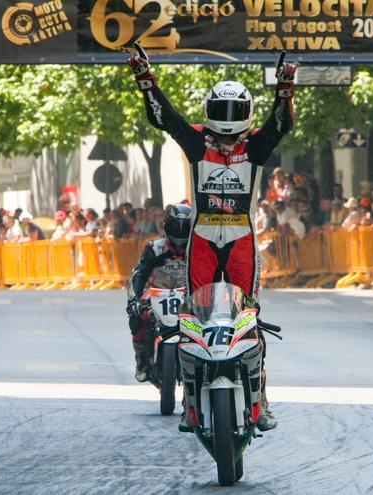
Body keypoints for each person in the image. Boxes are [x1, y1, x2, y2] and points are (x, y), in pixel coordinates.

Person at [128, 48, 296, 432]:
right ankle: (190, 404)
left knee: (249, 316)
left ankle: (260, 401)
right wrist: (145, 80)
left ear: (246, 114)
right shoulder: (196, 143)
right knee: (192, 316)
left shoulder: (255, 146)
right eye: (221, 110)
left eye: (235, 112)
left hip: (240, 239)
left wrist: (285, 87)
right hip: (202, 239)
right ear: (209, 111)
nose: (227, 121)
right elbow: (164, 118)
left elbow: (280, 124)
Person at [125, 205, 192, 383]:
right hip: (156, 291)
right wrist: (134, 300)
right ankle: (141, 359)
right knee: (137, 317)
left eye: (184, 229)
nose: (179, 234)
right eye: (175, 228)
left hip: (188, 294)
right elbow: (139, 274)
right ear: (166, 227)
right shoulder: (154, 248)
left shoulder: (196, 249)